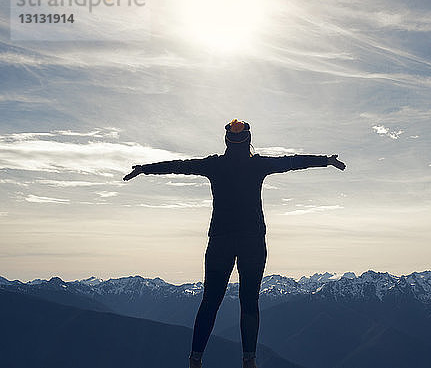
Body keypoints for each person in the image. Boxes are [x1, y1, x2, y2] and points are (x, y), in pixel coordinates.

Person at [123, 119, 346, 368]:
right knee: (249, 301)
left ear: (227, 141)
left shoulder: (215, 165)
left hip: (220, 241)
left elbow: (180, 166)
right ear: (248, 141)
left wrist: (145, 168)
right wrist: (325, 159)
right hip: (253, 242)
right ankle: (248, 361)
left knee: (210, 301)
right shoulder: (258, 165)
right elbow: (292, 162)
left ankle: (195, 359)